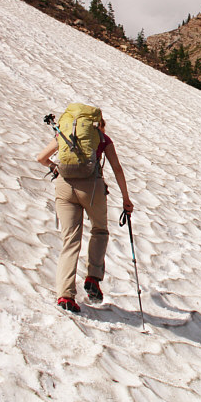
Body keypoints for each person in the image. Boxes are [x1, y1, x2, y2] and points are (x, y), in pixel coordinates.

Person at [36, 115, 133, 313]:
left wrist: (56, 169)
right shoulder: (103, 139)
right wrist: (126, 199)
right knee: (99, 231)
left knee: (70, 240)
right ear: (99, 125)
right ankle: (93, 278)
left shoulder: (64, 135)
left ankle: (65, 296)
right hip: (92, 188)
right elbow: (117, 169)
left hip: (64, 186)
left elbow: (41, 158)